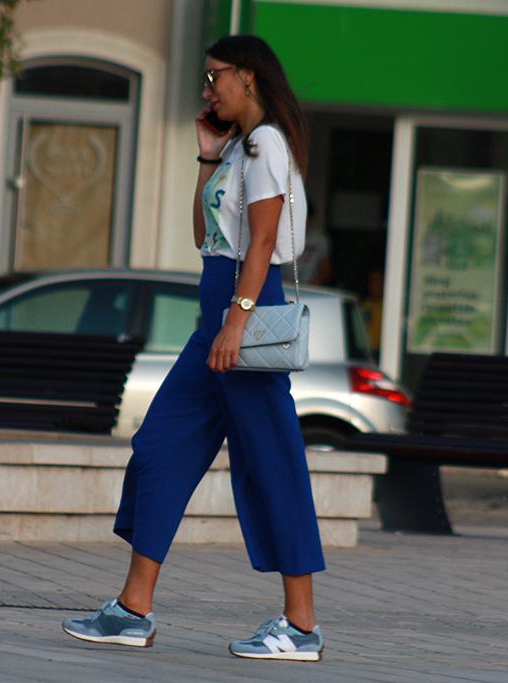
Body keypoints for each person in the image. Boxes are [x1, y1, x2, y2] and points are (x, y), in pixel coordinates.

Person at [61, 35, 326, 662]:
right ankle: (132, 611)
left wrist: (237, 322)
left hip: (244, 315)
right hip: (217, 321)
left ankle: (302, 625)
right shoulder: (236, 147)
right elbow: (205, 236)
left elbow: (263, 242)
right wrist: (207, 157)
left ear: (250, 76)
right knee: (159, 447)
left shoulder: (268, 144)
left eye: (215, 77)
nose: (207, 90)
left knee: (271, 462)